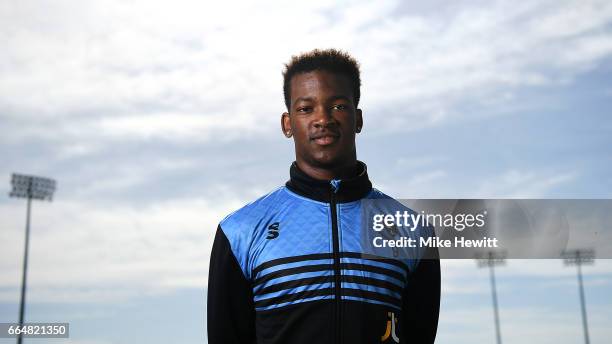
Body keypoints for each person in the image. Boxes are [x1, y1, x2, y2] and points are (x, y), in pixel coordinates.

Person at [207, 49, 440, 344]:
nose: (323, 119)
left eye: (339, 106)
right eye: (306, 108)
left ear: (358, 119)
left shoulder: (414, 230)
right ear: (287, 124)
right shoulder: (240, 232)